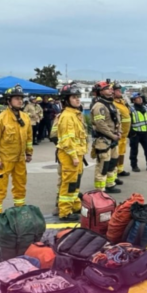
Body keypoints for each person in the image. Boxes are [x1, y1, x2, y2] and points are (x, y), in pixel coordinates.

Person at [0, 85, 33, 224]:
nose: (20, 101)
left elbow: (29, 138)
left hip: (20, 159)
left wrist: (29, 153)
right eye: (17, 99)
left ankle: (19, 208)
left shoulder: (25, 117)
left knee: (20, 185)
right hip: (4, 159)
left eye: (21, 99)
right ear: (9, 101)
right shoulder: (1, 119)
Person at [54, 84, 87, 222]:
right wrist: (73, 156)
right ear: (66, 100)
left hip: (77, 154)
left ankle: (74, 206)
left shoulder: (76, 115)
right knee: (68, 184)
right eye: (74, 97)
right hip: (69, 156)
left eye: (78, 97)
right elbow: (67, 140)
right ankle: (65, 212)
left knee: (75, 183)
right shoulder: (67, 116)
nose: (77, 100)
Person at [90, 81, 122, 193]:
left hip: (113, 139)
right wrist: (112, 135)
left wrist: (119, 132)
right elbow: (100, 124)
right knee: (103, 165)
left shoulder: (111, 104)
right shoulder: (99, 106)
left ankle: (110, 184)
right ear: (101, 91)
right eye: (107, 88)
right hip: (104, 140)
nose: (111, 90)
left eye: (111, 88)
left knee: (112, 163)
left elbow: (117, 120)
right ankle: (100, 190)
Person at [128, 92, 147, 172]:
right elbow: (128, 122)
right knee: (134, 151)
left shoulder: (146, 108)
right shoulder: (131, 110)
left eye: (141, 97)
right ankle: (134, 166)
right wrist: (131, 132)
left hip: (145, 133)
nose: (140, 99)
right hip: (135, 133)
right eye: (138, 98)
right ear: (134, 100)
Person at [111, 82, 132, 178]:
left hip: (124, 134)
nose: (120, 92)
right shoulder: (113, 104)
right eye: (118, 90)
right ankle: (114, 172)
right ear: (113, 92)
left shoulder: (122, 102)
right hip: (118, 134)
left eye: (120, 90)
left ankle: (120, 169)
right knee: (116, 154)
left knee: (122, 152)